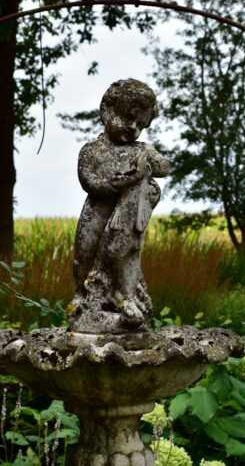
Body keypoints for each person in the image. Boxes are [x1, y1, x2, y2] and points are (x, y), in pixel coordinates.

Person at [70, 79, 170, 333]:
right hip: (95, 215)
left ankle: (123, 297)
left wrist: (146, 158)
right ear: (107, 110)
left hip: (126, 219)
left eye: (141, 125)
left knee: (123, 252)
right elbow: (88, 180)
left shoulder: (139, 149)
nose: (134, 129)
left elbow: (164, 167)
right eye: (129, 119)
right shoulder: (92, 151)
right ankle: (85, 301)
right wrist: (115, 184)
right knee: (84, 257)